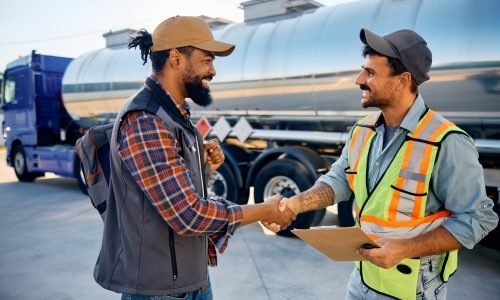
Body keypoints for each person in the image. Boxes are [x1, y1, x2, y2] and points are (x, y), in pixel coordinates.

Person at [266, 28, 499, 299]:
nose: (358, 79)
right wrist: (293, 205)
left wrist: (404, 249)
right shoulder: (362, 130)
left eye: (371, 73)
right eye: (362, 70)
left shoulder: (447, 141)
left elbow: (477, 219)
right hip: (363, 277)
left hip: (411, 287)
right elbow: (339, 180)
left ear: (403, 80)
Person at [94, 16, 296, 299]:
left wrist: (204, 168)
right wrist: (262, 210)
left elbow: (177, 196)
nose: (213, 71)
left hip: (188, 279)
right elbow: (187, 215)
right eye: (207, 60)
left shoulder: (175, 115)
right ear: (176, 58)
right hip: (160, 289)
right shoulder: (145, 120)